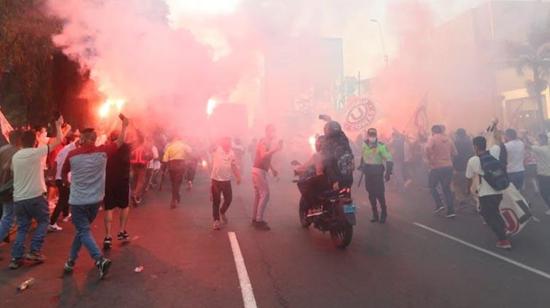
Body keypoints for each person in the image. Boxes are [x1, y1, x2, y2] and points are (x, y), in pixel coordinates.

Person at [61, 115, 128, 279]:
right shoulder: (103, 152)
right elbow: (119, 143)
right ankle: (70, 261)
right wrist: (125, 126)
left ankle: (99, 260)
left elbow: (63, 173)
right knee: (82, 231)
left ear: (82, 138)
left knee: (83, 230)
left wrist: (66, 183)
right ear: (95, 139)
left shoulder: (72, 154)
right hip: (95, 201)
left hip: (77, 201)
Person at [9, 117, 64, 269]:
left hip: (19, 199)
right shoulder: (36, 152)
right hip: (35, 196)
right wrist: (58, 125)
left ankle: (16, 258)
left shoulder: (15, 156)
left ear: (21, 142)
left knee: (22, 228)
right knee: (44, 221)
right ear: (34, 142)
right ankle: (34, 250)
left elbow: (14, 172)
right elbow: (59, 140)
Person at [466, 136, 511, 249]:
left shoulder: (473, 160)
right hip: (498, 191)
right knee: (494, 213)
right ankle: (503, 229)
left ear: (475, 146)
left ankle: (503, 240)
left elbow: (469, 177)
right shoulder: (492, 156)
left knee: (488, 216)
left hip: (485, 194)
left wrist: (468, 190)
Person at [103, 130, 132, 250]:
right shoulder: (126, 147)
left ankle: (108, 236)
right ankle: (121, 231)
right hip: (123, 180)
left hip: (109, 180)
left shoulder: (107, 147)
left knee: (109, 207)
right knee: (124, 206)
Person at [252, 125, 283, 230]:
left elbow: (266, 158)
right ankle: (259, 220)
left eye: (274, 131)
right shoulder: (264, 141)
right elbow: (263, 155)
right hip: (258, 170)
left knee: (258, 195)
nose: (273, 133)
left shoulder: (267, 143)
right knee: (265, 194)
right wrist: (275, 149)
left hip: (260, 170)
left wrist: (273, 169)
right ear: (266, 132)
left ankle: (255, 218)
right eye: (271, 131)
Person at [360, 128, 393, 223]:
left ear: (376, 135)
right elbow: (363, 155)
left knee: (380, 194)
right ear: (367, 135)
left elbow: (389, 159)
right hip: (368, 174)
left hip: (377, 173)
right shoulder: (364, 144)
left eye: (373, 135)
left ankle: (384, 213)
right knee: (371, 194)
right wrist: (361, 165)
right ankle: (375, 214)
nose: (372, 137)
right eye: (370, 135)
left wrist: (388, 172)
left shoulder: (381, 146)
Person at [48, 130, 79, 232]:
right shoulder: (71, 151)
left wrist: (53, 176)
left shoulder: (65, 149)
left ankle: (65, 215)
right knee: (62, 200)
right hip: (63, 179)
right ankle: (52, 222)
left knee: (64, 198)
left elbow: (56, 162)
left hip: (60, 178)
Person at [425, 125, 457, 218]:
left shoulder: (433, 138)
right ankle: (451, 211)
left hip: (436, 167)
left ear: (433, 131)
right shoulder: (448, 139)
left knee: (431, 186)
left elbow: (427, 148)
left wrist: (430, 159)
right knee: (446, 189)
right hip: (448, 166)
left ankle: (439, 204)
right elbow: (455, 153)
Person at [210, 137, 241, 230]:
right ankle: (216, 221)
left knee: (229, 199)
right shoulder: (216, 149)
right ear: (222, 142)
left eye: (228, 141)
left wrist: (238, 176)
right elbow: (210, 146)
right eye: (225, 141)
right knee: (216, 201)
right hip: (216, 180)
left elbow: (234, 165)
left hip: (227, 180)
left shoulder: (231, 153)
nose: (227, 143)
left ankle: (222, 211)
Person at [0, 130, 21, 244]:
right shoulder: (18, 153)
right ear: (19, 139)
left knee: (6, 216)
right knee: (8, 218)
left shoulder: (2, 150)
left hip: (2, 187)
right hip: (11, 188)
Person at [163, 134, 192, 208]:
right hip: (181, 164)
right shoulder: (183, 145)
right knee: (177, 182)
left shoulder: (170, 146)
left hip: (172, 165)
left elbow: (165, 159)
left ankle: (176, 195)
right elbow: (190, 151)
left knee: (173, 183)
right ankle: (174, 199)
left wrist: (164, 168)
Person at [452, 128, 474, 206]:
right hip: (468, 166)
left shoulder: (455, 143)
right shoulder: (470, 143)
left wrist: (453, 166)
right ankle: (472, 201)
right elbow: (473, 153)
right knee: (469, 184)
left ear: (457, 135)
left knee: (457, 184)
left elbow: (453, 155)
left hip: (458, 167)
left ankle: (461, 199)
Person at [530, 133, 550, 215]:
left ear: (543, 140)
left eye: (539, 139)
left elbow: (528, 146)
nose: (538, 141)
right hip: (546, 173)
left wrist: (524, 137)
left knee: (543, 192)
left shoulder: (540, 149)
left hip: (544, 174)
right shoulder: (547, 148)